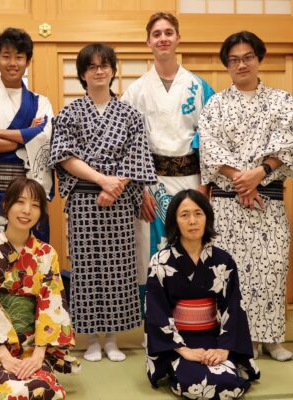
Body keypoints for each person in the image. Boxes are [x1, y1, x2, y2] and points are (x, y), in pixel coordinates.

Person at [49, 43, 156, 362]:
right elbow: (64, 157)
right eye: (92, 66)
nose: (99, 70)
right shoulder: (68, 113)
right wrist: (101, 180)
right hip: (84, 198)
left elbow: (137, 157)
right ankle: (92, 338)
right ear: (82, 74)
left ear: (112, 69)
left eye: (105, 64)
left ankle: (112, 338)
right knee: (86, 267)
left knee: (119, 266)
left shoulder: (131, 115)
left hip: (120, 200)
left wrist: (115, 185)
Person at [199, 31, 293, 361]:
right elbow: (210, 149)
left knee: (273, 264)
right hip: (229, 201)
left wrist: (259, 174)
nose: (242, 64)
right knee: (233, 269)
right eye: (235, 59)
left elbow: (288, 143)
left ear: (259, 58)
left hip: (268, 197)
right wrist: (241, 180)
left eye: (248, 57)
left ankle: (272, 338)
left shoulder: (283, 101)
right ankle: (242, 338)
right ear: (227, 65)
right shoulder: (216, 105)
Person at [122, 12, 214, 311]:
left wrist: (205, 185)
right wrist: (140, 189)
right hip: (151, 182)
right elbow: (127, 146)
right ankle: (156, 321)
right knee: (152, 249)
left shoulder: (199, 87)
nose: (163, 38)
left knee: (192, 242)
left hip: (190, 180)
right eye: (157, 33)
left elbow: (209, 141)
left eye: (168, 32)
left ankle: (194, 316)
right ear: (148, 41)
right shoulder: (135, 91)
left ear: (178, 38)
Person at [0, 177, 79, 400]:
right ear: (6, 205)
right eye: (20, 202)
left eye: (35, 205)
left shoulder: (46, 254)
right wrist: (4, 356)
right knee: (9, 392)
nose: (27, 210)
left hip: (34, 346)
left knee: (47, 391)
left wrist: (39, 355)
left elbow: (52, 303)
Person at [145, 189, 260, 399]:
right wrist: (182, 349)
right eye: (184, 215)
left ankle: (227, 365)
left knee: (228, 384)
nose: (192, 221)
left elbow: (233, 306)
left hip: (215, 338)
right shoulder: (160, 261)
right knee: (194, 384)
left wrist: (224, 348)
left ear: (207, 217)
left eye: (198, 213)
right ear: (174, 221)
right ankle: (175, 368)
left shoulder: (223, 260)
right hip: (178, 341)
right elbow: (156, 311)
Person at [0, 27, 54, 245]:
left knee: (31, 262)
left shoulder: (40, 102)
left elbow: (45, 137)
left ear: (28, 61)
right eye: (6, 56)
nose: (13, 63)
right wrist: (27, 135)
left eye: (19, 57)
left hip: (29, 192)